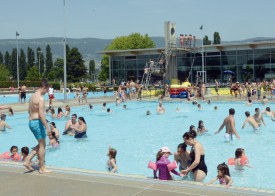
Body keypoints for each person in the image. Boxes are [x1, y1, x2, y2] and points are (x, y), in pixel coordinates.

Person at [23, 79, 52, 173]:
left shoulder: (32, 97)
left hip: (31, 122)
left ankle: (28, 160)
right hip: (37, 122)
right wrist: (47, 127)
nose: (47, 92)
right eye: (47, 90)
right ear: (44, 87)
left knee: (41, 144)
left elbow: (28, 110)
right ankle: (42, 168)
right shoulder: (40, 98)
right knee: (42, 145)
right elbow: (41, 114)